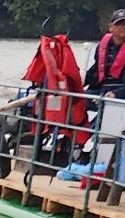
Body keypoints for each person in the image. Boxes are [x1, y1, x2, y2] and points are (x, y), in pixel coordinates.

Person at [86, 8, 125, 194]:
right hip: (102, 88)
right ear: (111, 27)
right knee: (76, 103)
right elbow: (96, 71)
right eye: (120, 24)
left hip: (124, 90)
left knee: (108, 108)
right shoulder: (102, 45)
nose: (124, 28)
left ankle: (97, 156)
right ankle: (77, 149)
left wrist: (118, 93)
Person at [20, 21, 87, 176]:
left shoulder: (57, 51)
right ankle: (40, 160)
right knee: (44, 121)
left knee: (69, 117)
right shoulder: (55, 50)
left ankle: (72, 155)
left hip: (62, 100)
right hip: (54, 98)